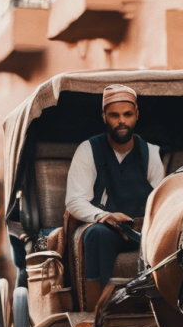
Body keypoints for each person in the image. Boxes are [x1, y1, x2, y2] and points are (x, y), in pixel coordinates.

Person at [64, 83, 166, 312]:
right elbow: (75, 200)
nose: (121, 121)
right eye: (114, 115)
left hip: (141, 228)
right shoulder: (88, 150)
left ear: (136, 115)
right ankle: (97, 311)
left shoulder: (151, 152)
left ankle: (156, 305)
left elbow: (160, 200)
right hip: (104, 228)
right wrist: (104, 216)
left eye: (127, 114)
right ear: (104, 117)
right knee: (97, 235)